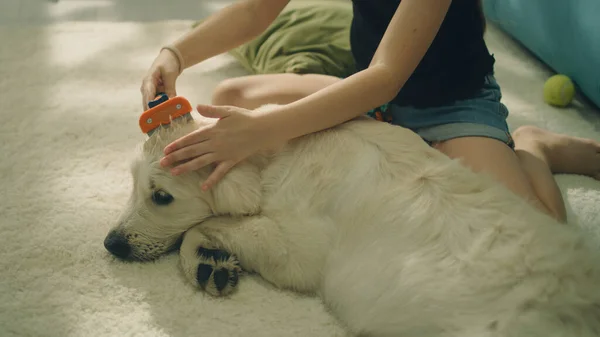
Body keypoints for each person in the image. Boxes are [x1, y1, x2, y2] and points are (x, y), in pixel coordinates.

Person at [140, 0, 600, 223]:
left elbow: (387, 73)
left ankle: (533, 146)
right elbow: (256, 12)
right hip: (372, 101)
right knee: (233, 97)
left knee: (537, 228)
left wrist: (263, 130)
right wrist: (174, 55)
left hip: (450, 105)